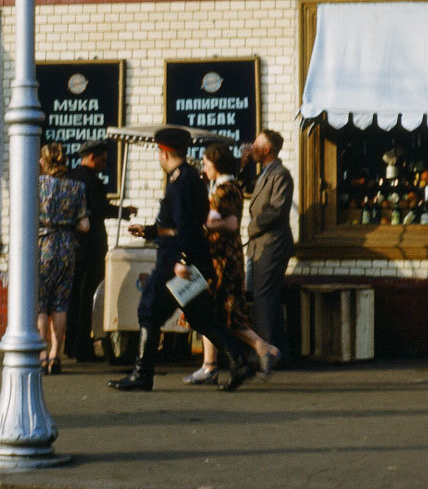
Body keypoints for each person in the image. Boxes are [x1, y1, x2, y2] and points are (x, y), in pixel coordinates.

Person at [110, 127, 256, 392]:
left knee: (149, 310)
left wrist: (182, 260)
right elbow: (178, 224)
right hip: (184, 258)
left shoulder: (183, 180)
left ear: (164, 152)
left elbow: (187, 227)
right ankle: (239, 362)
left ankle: (142, 374)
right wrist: (151, 231)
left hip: (176, 262)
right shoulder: (184, 178)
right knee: (202, 317)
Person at [185, 144, 282, 384]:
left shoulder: (225, 190)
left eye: (206, 163)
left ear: (216, 165)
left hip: (222, 259)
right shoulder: (227, 187)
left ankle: (262, 347)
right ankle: (209, 366)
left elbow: (230, 225)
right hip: (220, 256)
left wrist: (201, 222)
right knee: (213, 311)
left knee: (224, 314)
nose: (204, 168)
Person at [64, 140, 137, 362]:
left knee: (74, 297)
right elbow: (100, 209)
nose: (105, 164)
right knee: (88, 297)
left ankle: (70, 345)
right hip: (91, 246)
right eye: (103, 160)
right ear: (92, 157)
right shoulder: (91, 181)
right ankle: (83, 349)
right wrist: (124, 212)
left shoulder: (70, 177)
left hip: (73, 244)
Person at [37, 143, 89, 374]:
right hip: (67, 248)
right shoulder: (76, 187)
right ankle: (55, 355)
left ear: (45, 162)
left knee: (40, 304)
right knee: (60, 304)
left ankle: (41, 355)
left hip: (43, 247)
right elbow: (85, 225)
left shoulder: (36, 186)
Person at [244, 129, 295, 361]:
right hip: (260, 246)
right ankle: (278, 350)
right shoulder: (264, 173)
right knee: (265, 298)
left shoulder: (280, 174)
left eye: (256, 146)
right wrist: (243, 163)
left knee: (264, 298)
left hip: (272, 245)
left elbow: (276, 209)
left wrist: (252, 227)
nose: (251, 148)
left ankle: (264, 353)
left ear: (267, 150)